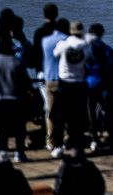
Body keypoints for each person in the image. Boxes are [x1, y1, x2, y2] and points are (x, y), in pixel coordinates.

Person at [0, 38, 31, 162]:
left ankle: (3, 153)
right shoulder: (17, 62)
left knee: (2, 129)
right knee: (19, 128)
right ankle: (19, 153)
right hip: (17, 99)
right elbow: (26, 82)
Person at [52, 21, 95, 152]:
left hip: (64, 83)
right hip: (79, 84)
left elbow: (55, 54)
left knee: (60, 116)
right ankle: (77, 144)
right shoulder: (86, 46)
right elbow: (90, 60)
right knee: (79, 116)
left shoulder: (63, 44)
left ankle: (58, 145)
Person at [41, 18, 69, 155]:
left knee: (50, 112)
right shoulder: (67, 40)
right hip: (63, 80)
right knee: (64, 112)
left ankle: (49, 140)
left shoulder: (45, 41)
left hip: (49, 80)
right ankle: (63, 139)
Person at [84, 24, 112, 150]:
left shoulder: (85, 49)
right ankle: (108, 135)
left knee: (91, 112)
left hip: (89, 83)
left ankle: (94, 138)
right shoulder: (106, 49)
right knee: (106, 109)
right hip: (103, 83)